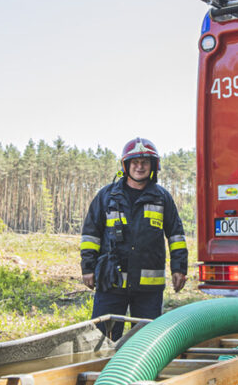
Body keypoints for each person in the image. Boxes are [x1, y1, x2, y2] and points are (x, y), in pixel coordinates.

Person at [80, 137, 188, 340]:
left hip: (148, 288)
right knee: (103, 339)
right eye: (135, 162)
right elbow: (90, 235)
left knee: (147, 341)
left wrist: (179, 268)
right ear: (126, 165)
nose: (140, 167)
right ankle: (106, 362)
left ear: (153, 165)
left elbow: (176, 235)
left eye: (145, 162)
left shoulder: (162, 198)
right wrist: (88, 268)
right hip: (111, 282)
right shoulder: (106, 196)